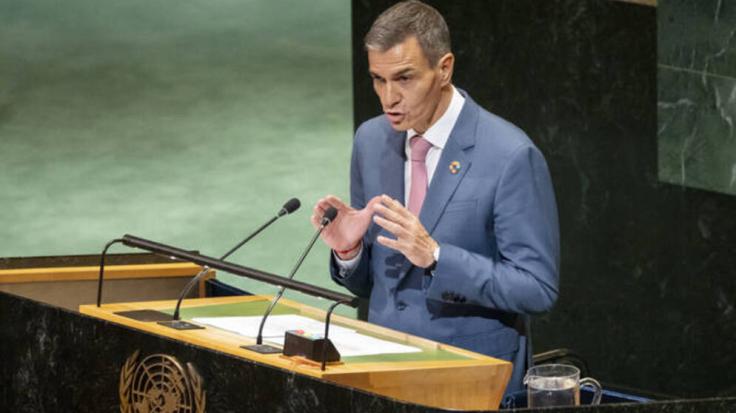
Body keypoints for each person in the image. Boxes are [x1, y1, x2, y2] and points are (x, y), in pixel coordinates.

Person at [311, 0, 559, 394]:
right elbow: (373, 285)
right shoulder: (371, 141)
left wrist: (438, 257)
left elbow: (536, 288)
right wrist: (349, 251)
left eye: (404, 78)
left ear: (444, 69)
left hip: (470, 377)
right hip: (382, 370)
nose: (388, 97)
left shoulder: (509, 155)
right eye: (378, 79)